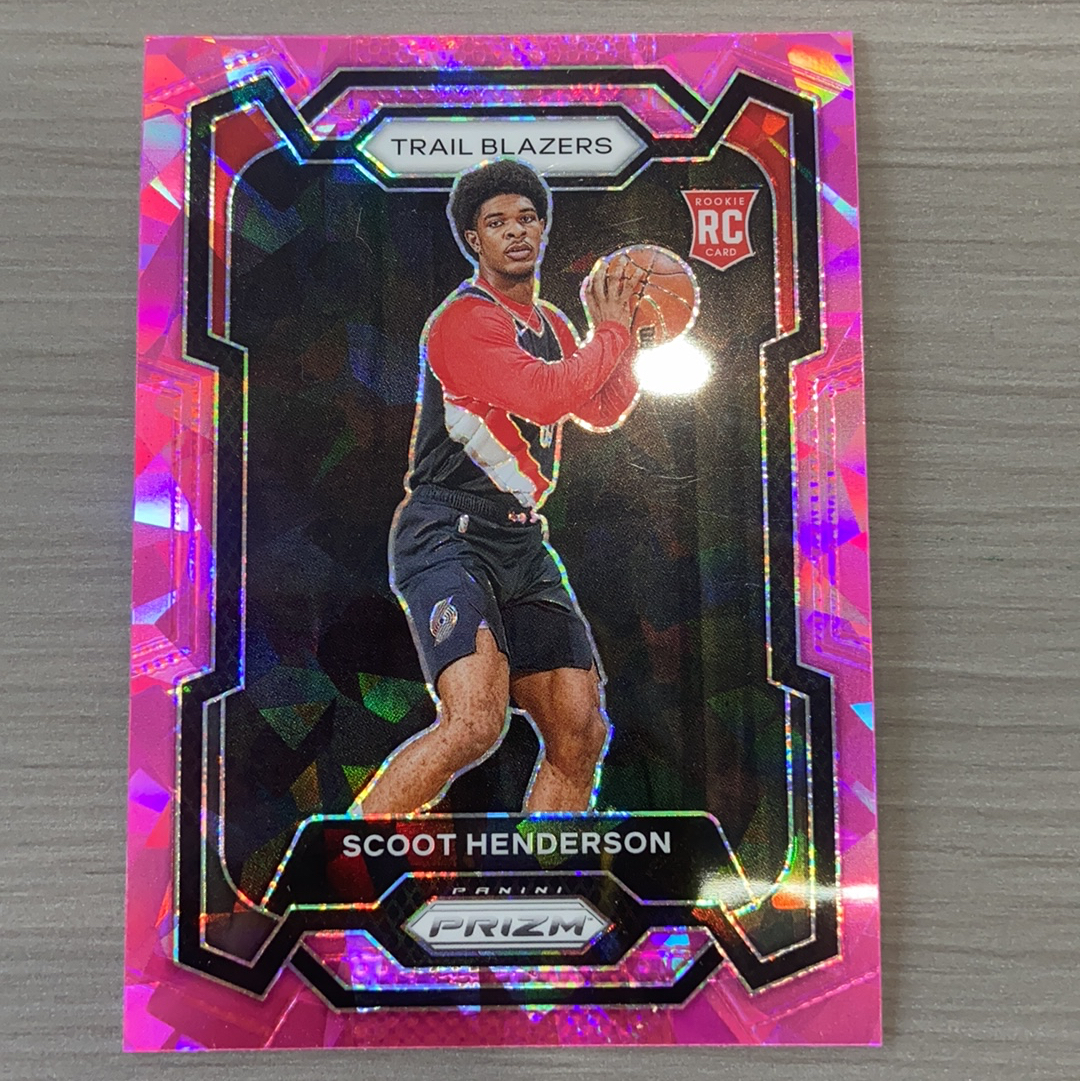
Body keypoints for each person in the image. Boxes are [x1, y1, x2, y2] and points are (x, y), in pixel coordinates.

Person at [350, 158, 643, 816]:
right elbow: (544, 398)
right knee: (475, 722)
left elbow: (601, 408)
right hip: (446, 531)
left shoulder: (554, 325)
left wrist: (629, 339)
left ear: (543, 229)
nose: (516, 231)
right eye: (497, 222)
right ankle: (344, 855)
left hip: (520, 540)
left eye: (527, 218)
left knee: (580, 731)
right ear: (473, 240)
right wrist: (612, 332)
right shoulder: (463, 321)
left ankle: (543, 865)